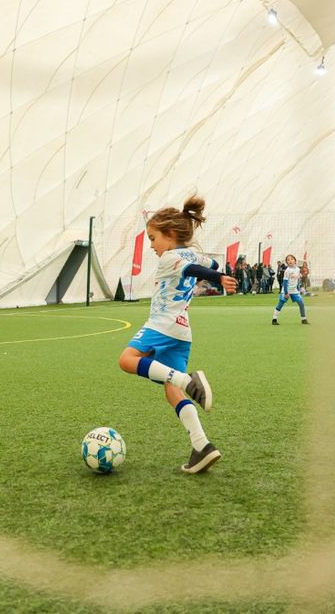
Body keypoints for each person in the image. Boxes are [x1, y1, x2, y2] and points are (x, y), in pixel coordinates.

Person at [118, 195, 238, 472]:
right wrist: (217, 273)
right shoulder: (191, 253)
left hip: (162, 323)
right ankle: (202, 445)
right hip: (182, 331)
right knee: (171, 390)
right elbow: (208, 264)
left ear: (170, 234)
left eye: (153, 238)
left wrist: (215, 278)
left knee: (127, 360)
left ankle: (190, 380)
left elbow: (194, 269)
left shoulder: (170, 257)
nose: (151, 246)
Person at [272, 254, 308, 326]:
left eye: (291, 259)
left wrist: (298, 287)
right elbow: (285, 282)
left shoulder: (297, 269)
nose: (290, 261)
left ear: (295, 260)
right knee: (281, 303)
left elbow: (297, 278)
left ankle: (303, 319)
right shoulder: (287, 271)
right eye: (288, 260)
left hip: (294, 290)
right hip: (286, 290)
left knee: (301, 303)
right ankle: (274, 319)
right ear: (287, 262)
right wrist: (286, 293)